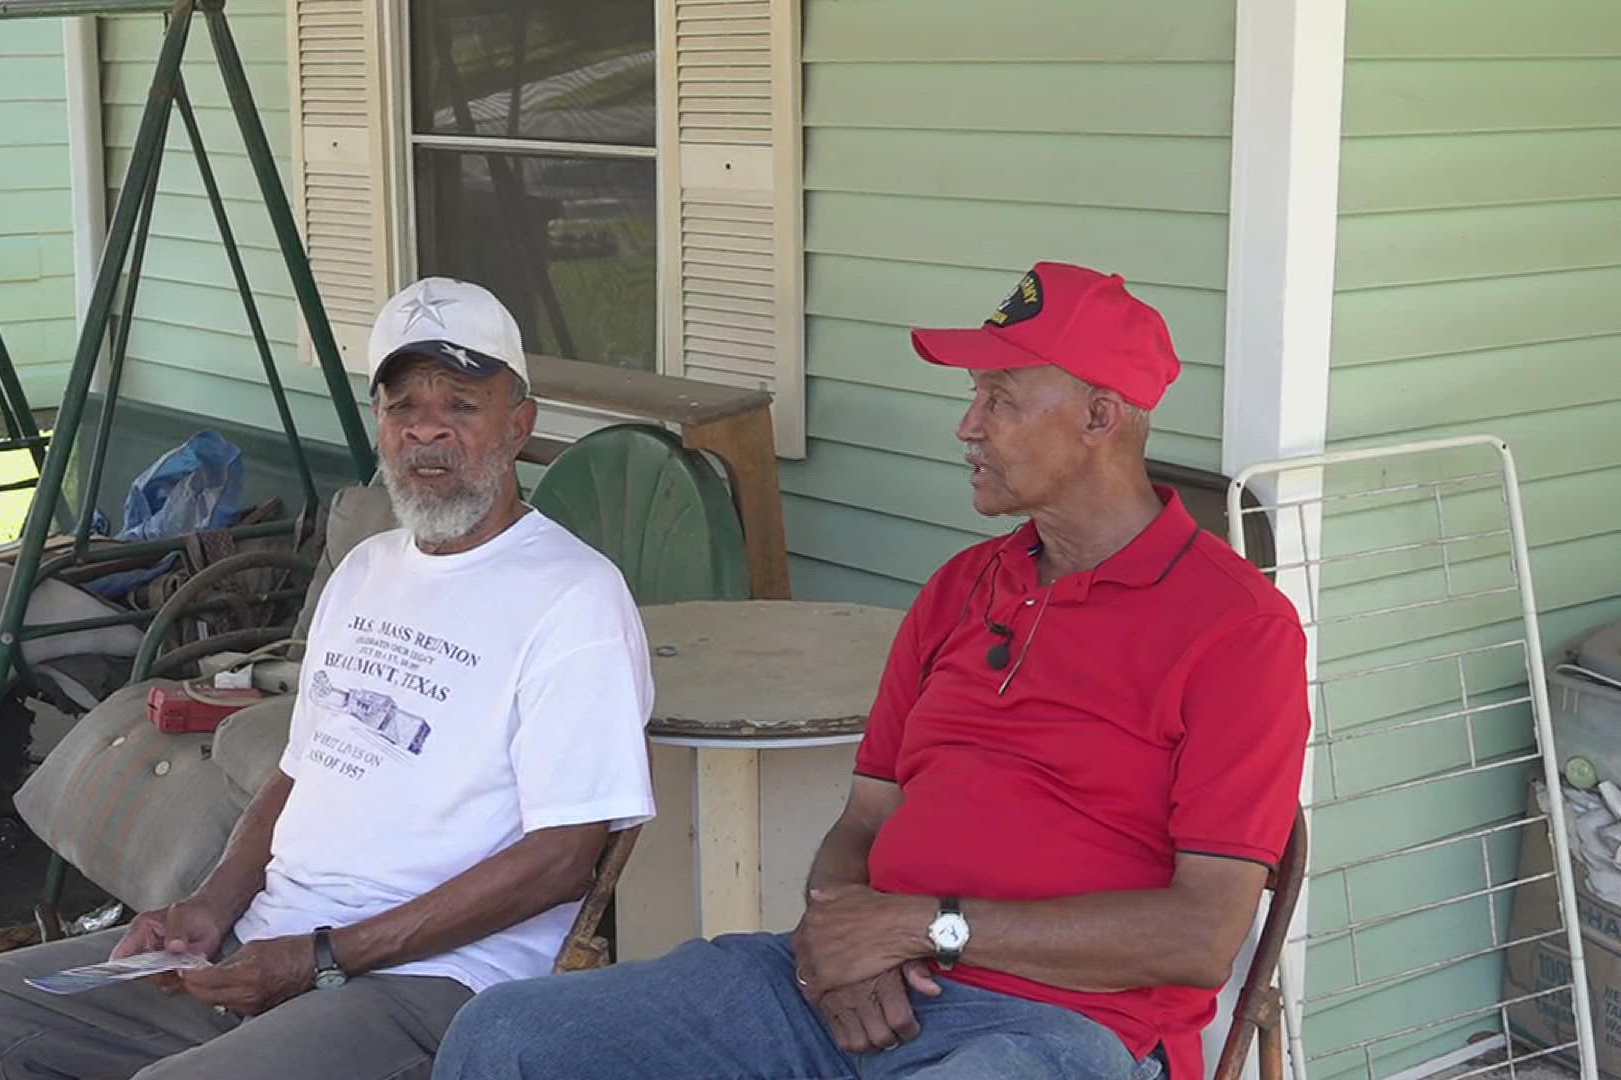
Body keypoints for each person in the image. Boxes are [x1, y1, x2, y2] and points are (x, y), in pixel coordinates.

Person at [434, 261, 1309, 1080]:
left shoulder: (1237, 631)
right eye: (974, 395)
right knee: (507, 1036)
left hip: (1054, 1030)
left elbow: (1202, 935)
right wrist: (834, 951)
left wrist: (924, 927)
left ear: (1099, 418)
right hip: (849, 993)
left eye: (1000, 399)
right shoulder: (961, 589)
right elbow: (866, 816)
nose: (968, 425)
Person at [0, 278, 657, 1080]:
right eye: (402, 406)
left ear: (520, 425)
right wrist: (210, 906)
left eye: (463, 405)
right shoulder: (366, 570)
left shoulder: (573, 597)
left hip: (429, 984)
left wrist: (325, 958)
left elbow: (565, 858)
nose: (427, 430)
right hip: (271, 943)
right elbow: (300, 769)